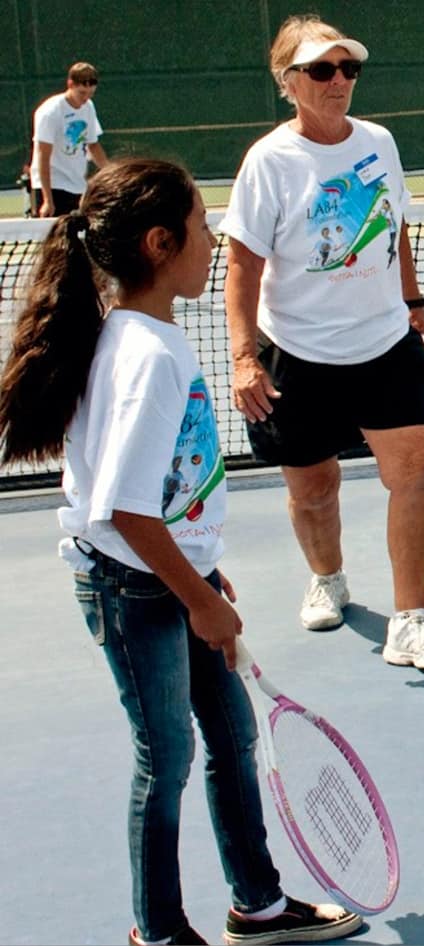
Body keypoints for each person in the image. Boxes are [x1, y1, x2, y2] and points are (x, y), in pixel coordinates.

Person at [0, 158, 362, 946]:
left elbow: (156, 491)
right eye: (204, 228)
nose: (215, 241)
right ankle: (157, 934)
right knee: (164, 757)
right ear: (162, 244)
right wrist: (198, 599)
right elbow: (123, 507)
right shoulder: (147, 357)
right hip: (133, 591)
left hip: (165, 572)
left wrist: (200, 563)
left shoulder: (141, 335)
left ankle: (257, 906)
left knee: (230, 737)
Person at [220, 14, 424, 671]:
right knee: (314, 490)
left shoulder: (379, 143)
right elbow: (241, 264)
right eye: (322, 69)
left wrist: (414, 305)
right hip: (294, 353)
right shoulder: (269, 161)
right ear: (288, 81)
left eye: (348, 69)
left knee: (416, 473)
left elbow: (395, 224)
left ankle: (411, 621)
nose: (339, 81)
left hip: (384, 344)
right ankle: (327, 576)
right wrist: (245, 357)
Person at [28, 61, 108, 218]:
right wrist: (47, 200)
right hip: (53, 187)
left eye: (90, 93)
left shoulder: (88, 107)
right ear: (70, 84)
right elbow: (43, 157)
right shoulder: (50, 112)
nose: (85, 98)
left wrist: (112, 172)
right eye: (82, 93)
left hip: (78, 187)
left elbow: (93, 145)